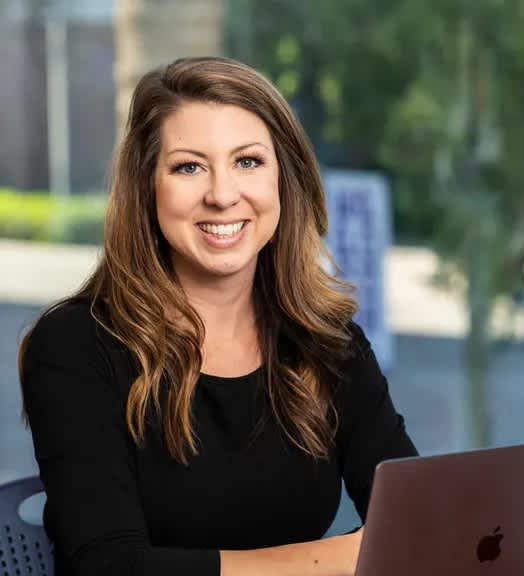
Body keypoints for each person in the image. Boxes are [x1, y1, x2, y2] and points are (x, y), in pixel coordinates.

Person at [18, 57, 416, 576]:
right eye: (189, 166)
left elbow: (416, 519)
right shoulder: (75, 345)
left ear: (284, 180)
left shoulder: (327, 342)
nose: (223, 195)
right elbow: (111, 566)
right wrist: (337, 559)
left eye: (248, 161)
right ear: (147, 188)